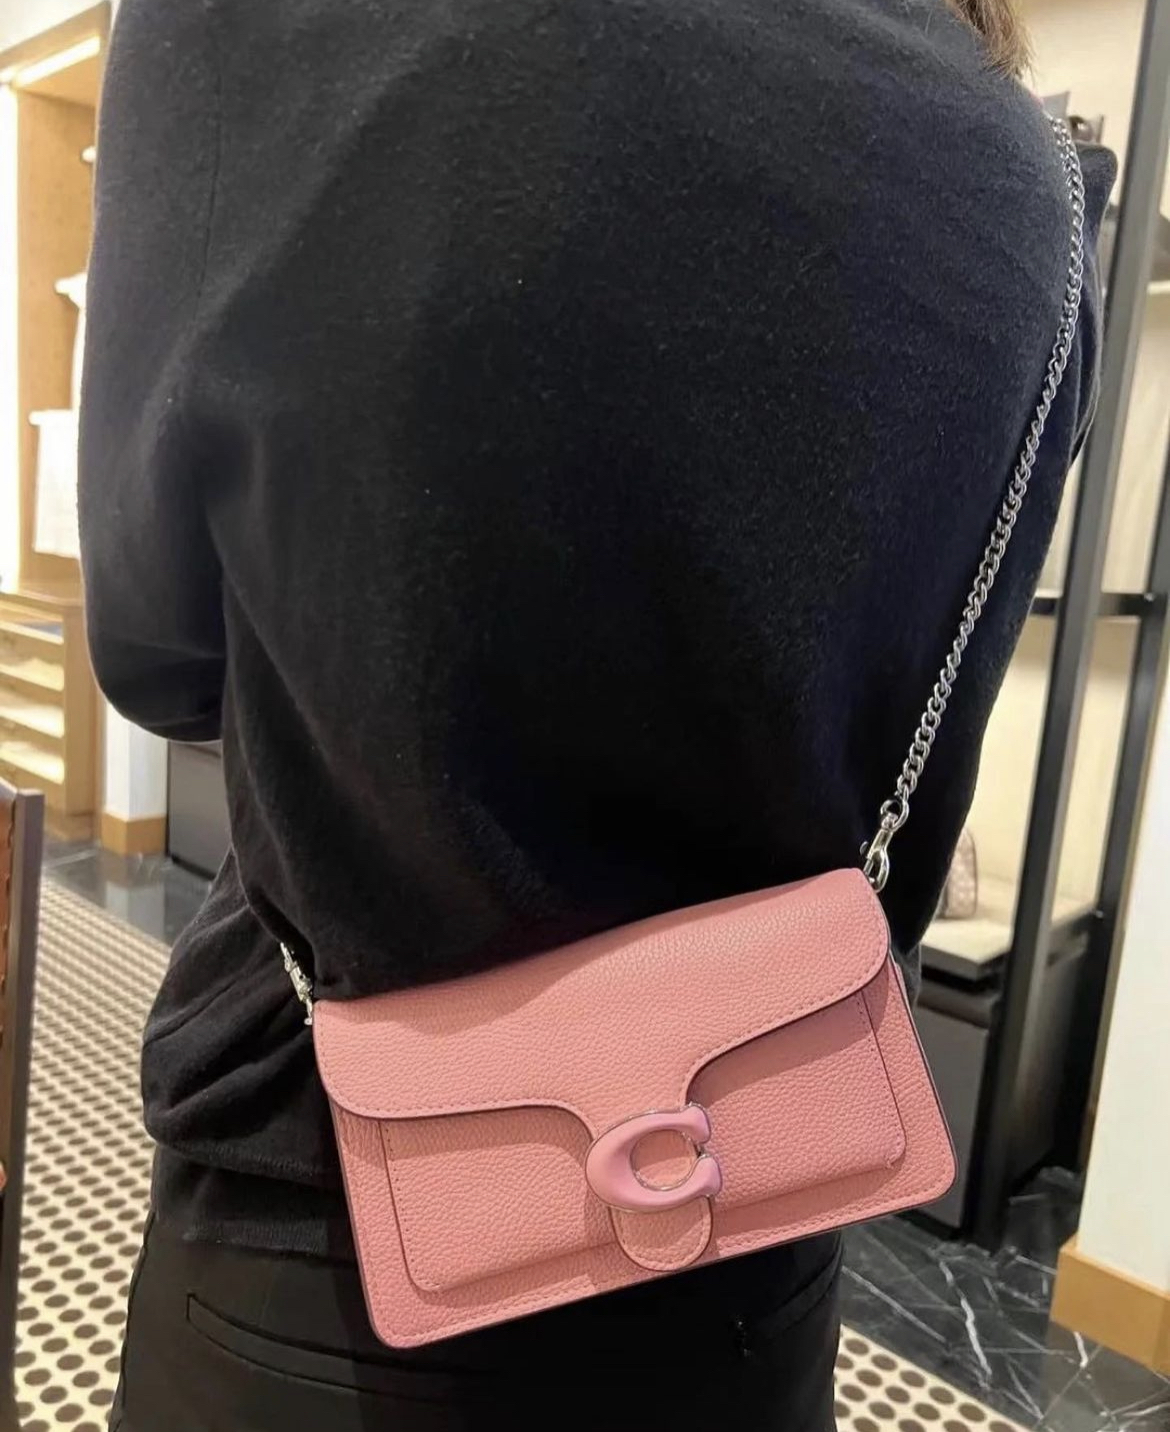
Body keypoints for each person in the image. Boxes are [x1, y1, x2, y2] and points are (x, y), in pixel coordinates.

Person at [79, 0, 1114, 1426]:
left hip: (320, 1232)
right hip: (758, 1234)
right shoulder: (1030, 172)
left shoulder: (255, 24)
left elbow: (160, 659)